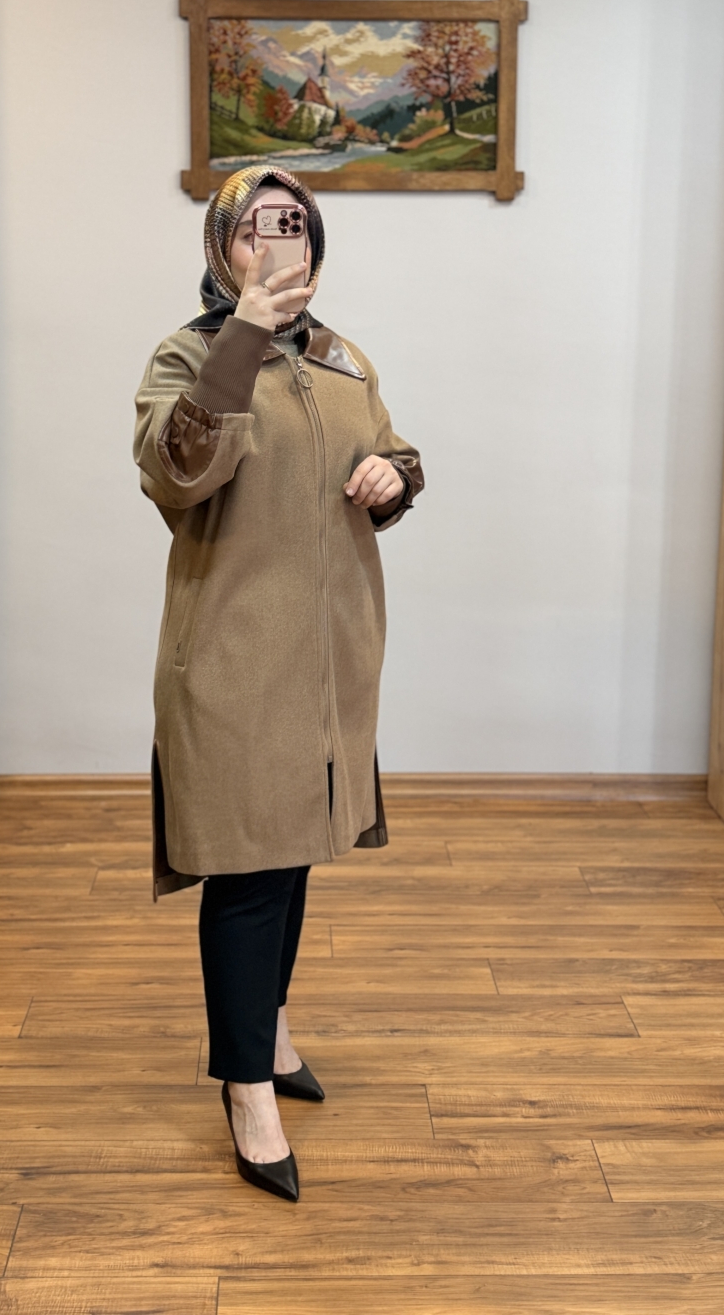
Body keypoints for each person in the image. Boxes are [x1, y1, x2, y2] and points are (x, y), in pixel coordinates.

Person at [133, 164, 423, 1201]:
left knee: (292, 856)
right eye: (256, 226)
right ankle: (245, 1087)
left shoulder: (339, 355)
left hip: (333, 658)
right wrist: (245, 337)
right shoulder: (190, 354)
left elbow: (391, 451)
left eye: (294, 223)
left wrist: (393, 477)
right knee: (250, 871)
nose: (278, 240)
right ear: (224, 247)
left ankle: (272, 1030)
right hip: (234, 658)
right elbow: (178, 471)